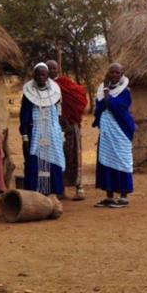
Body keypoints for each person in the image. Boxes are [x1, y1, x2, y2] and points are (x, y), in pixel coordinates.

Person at [93, 63, 135, 208]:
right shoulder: (101, 89)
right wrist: (105, 93)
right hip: (106, 132)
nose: (114, 75)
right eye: (112, 72)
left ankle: (123, 197)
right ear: (108, 73)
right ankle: (109, 196)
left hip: (121, 131)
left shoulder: (125, 91)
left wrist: (106, 94)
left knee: (122, 161)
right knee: (106, 161)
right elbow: (99, 107)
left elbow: (114, 106)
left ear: (122, 74)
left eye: (117, 72)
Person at [20, 62, 66, 196]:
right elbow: (24, 116)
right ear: (34, 76)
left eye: (43, 75)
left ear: (47, 76)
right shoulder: (28, 94)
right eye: (38, 75)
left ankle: (53, 192)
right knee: (34, 161)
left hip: (52, 132)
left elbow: (59, 113)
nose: (41, 77)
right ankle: (36, 194)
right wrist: (25, 137)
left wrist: (61, 134)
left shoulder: (55, 92)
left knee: (54, 160)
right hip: (35, 133)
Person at [47, 60, 88, 200]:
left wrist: (68, 116)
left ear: (58, 69)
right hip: (52, 126)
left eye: (54, 68)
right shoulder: (43, 85)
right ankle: (60, 189)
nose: (52, 71)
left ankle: (79, 187)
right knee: (57, 157)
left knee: (73, 155)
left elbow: (80, 97)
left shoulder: (65, 83)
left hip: (69, 124)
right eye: (49, 68)